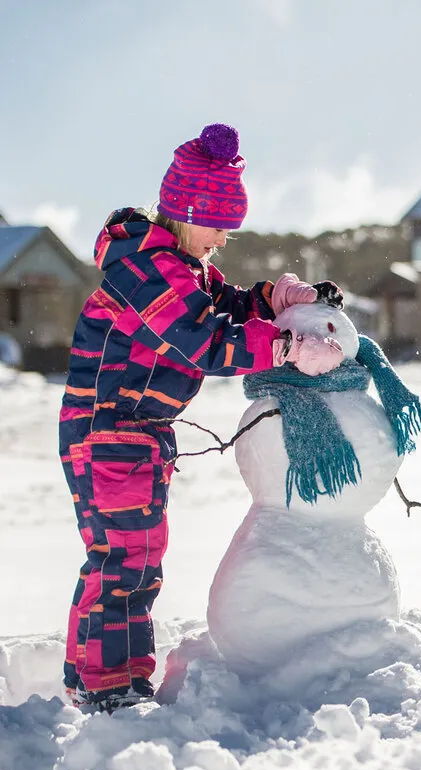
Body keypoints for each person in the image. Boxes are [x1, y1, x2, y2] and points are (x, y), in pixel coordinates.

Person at [59, 123, 345, 711]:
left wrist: (274, 301)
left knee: (134, 557)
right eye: (217, 226)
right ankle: (108, 688)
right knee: (123, 560)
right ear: (188, 213)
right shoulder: (145, 269)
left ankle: (102, 678)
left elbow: (224, 304)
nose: (222, 240)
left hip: (134, 434)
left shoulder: (182, 268)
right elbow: (202, 338)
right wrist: (285, 349)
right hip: (108, 432)